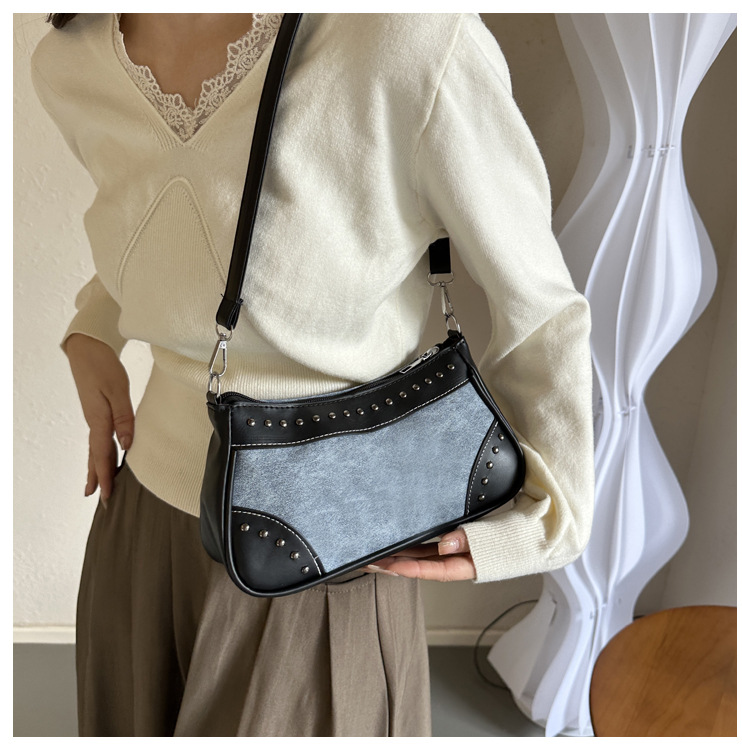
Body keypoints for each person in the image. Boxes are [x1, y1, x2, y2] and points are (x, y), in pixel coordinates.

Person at [31, 12, 595, 737]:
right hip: (141, 524)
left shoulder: (404, 37)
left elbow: (541, 306)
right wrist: (90, 330)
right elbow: (168, 223)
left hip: (327, 544)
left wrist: (551, 515)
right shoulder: (71, 60)